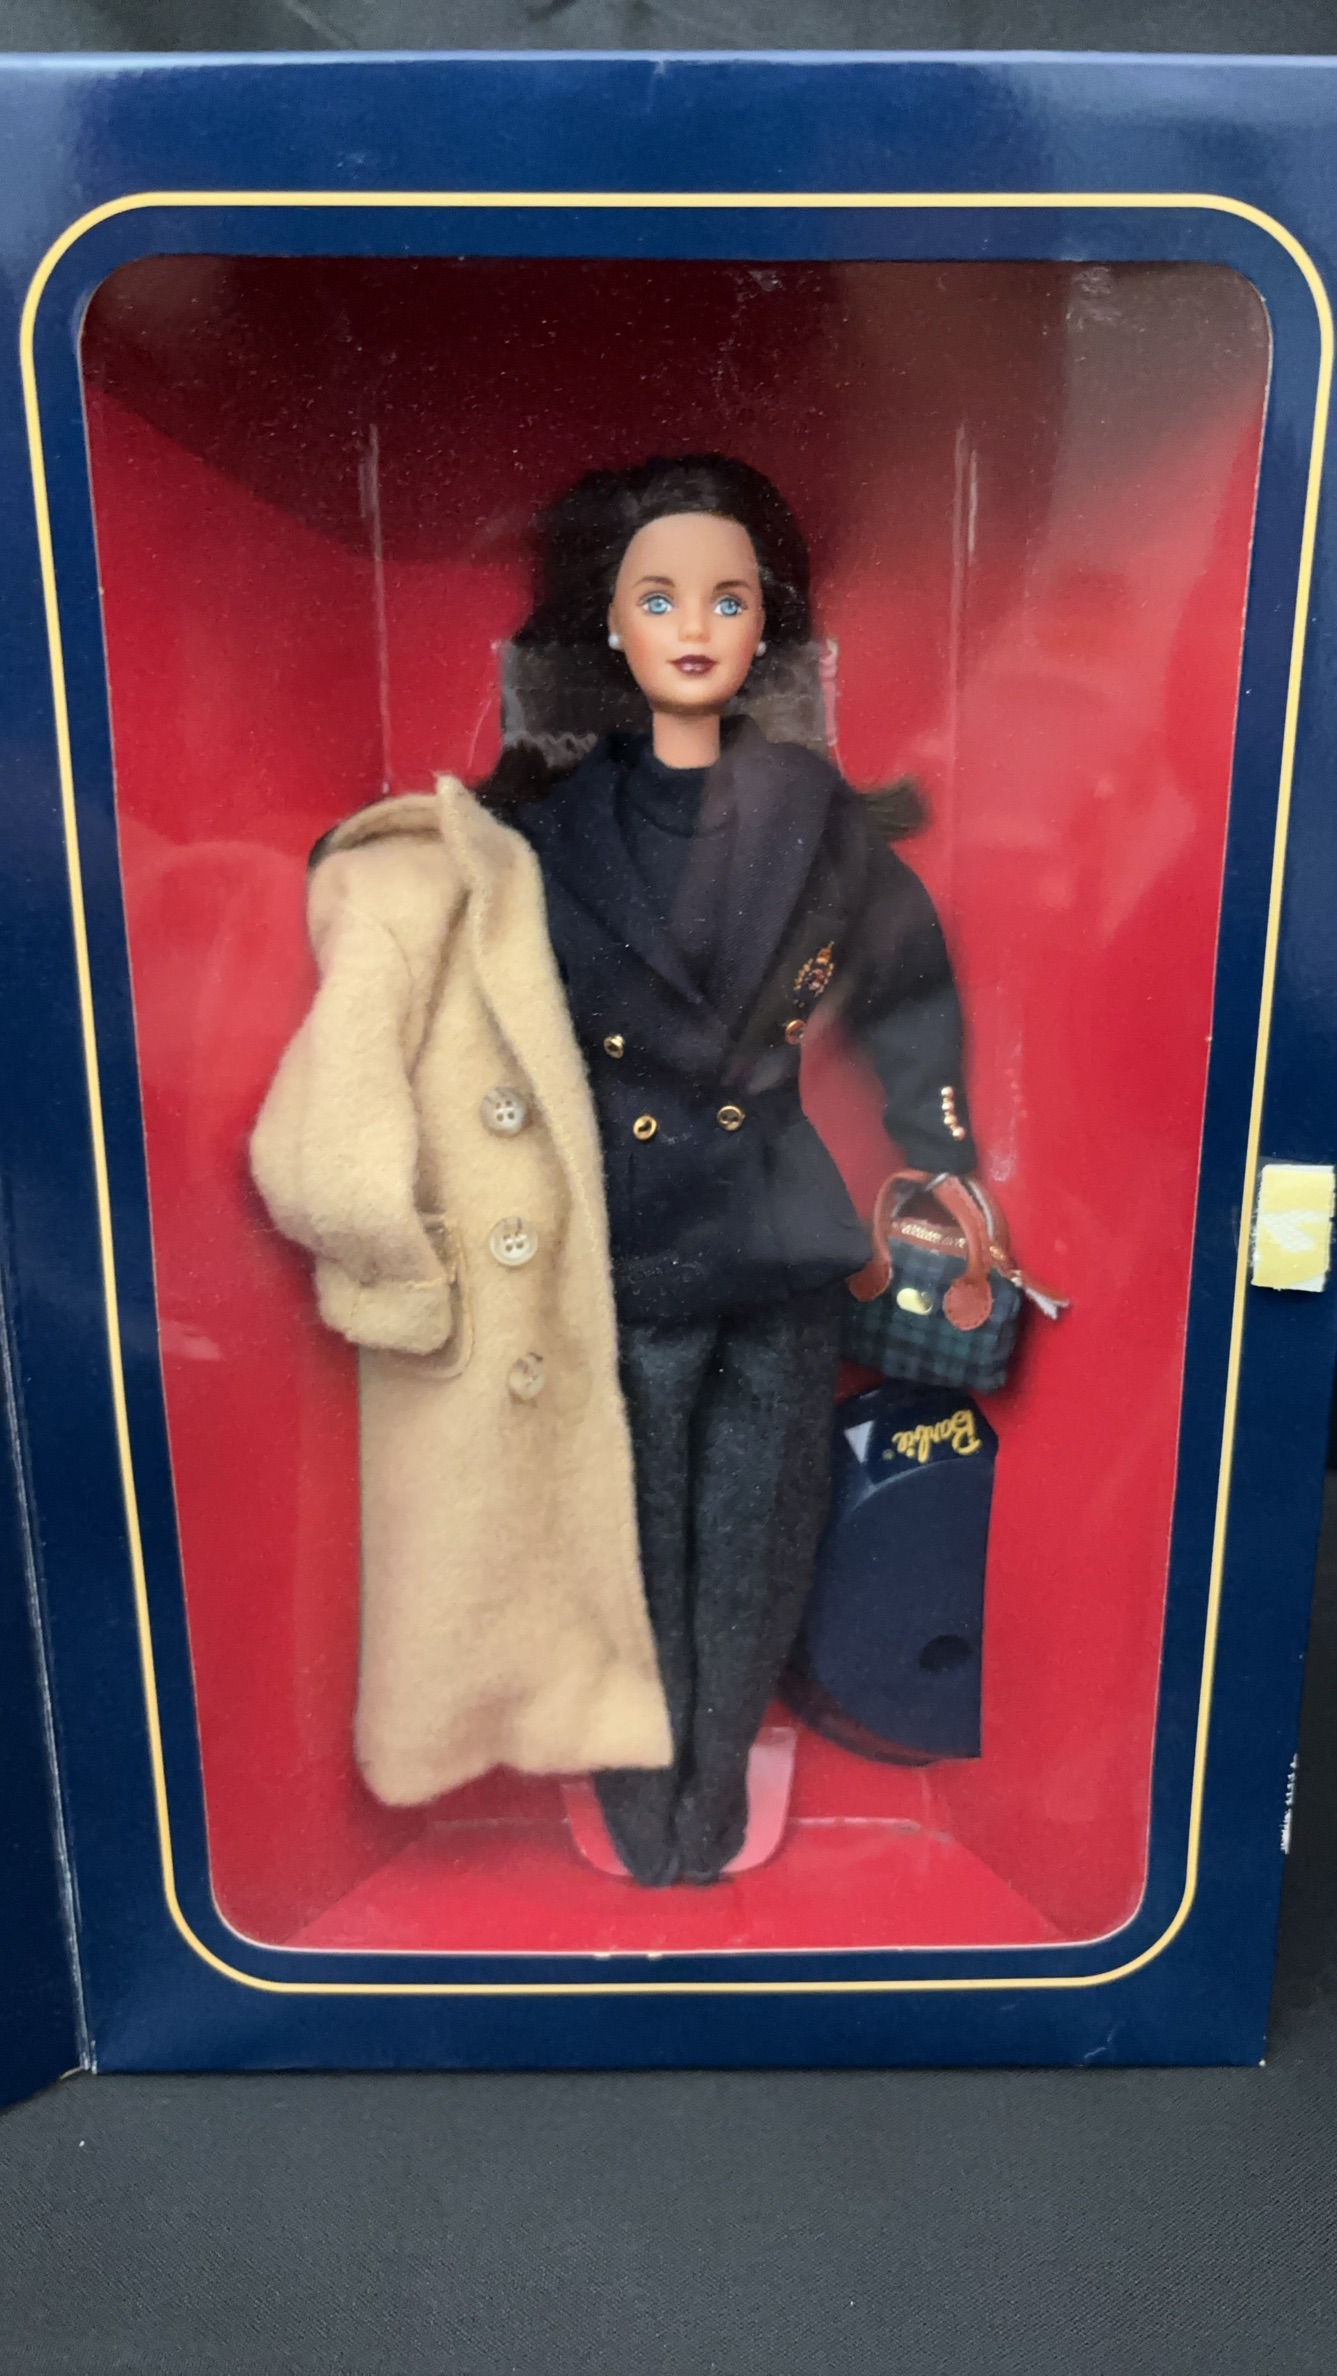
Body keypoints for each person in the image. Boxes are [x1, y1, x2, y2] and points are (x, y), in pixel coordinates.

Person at [474, 454, 979, 1885]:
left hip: (772, 1229)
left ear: (768, 624)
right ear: (607, 621)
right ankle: (648, 1804)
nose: (693, 628)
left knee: (758, 1538)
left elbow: (907, 979)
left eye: (727, 599)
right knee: (627, 1539)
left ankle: (713, 1789)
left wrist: (942, 1152)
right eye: (657, 598)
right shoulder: (538, 837)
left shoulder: (821, 818)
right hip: (625, 1242)